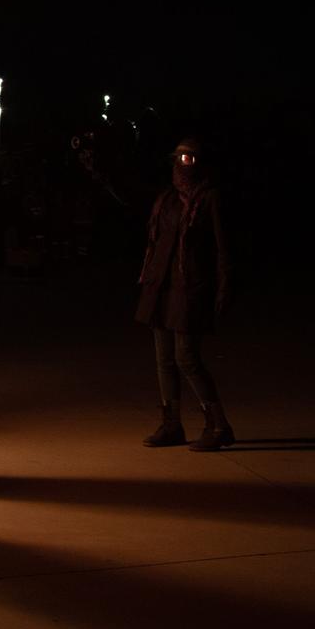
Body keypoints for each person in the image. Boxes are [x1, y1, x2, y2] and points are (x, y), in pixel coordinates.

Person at [124, 138, 235, 450]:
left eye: (190, 158)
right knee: (164, 359)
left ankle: (219, 424)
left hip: (191, 289)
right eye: (179, 158)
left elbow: (223, 249)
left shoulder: (210, 198)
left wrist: (223, 289)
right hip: (162, 287)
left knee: (186, 357)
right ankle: (171, 424)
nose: (183, 163)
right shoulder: (168, 199)